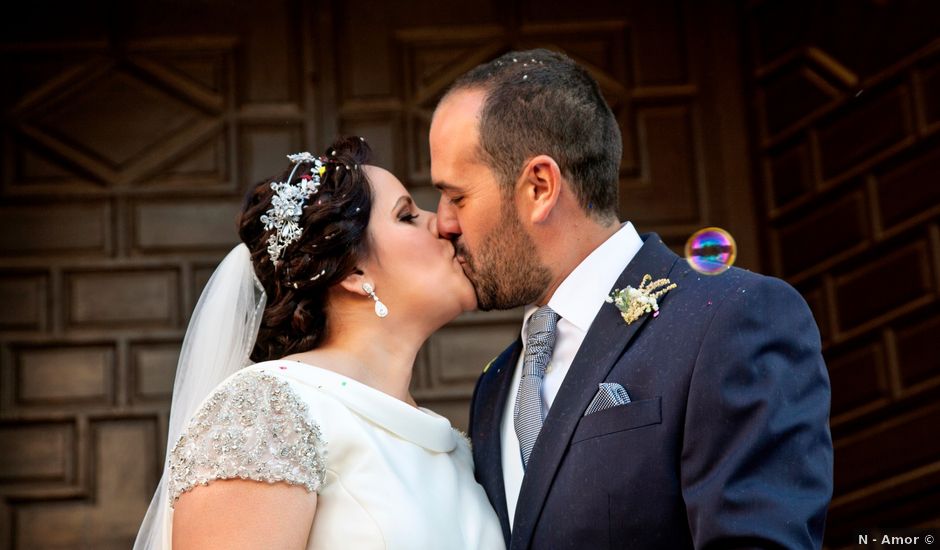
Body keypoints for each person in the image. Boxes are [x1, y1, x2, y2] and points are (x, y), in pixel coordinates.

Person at [430, 49, 833, 549]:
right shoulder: (494, 386)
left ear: (539, 186)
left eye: (457, 196)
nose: (443, 223)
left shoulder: (732, 317)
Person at [134, 137, 505, 549]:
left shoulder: (457, 445)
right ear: (354, 272)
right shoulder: (268, 410)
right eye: (407, 216)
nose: (445, 224)